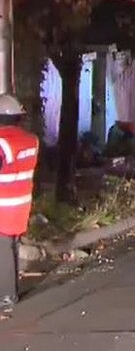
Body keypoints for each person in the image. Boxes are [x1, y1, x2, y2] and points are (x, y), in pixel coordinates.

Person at [0, 94, 39, 310]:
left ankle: (7, 295)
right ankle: (10, 290)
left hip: (2, 205)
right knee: (11, 247)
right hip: (21, 204)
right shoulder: (30, 139)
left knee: (3, 250)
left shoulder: (2, 141)